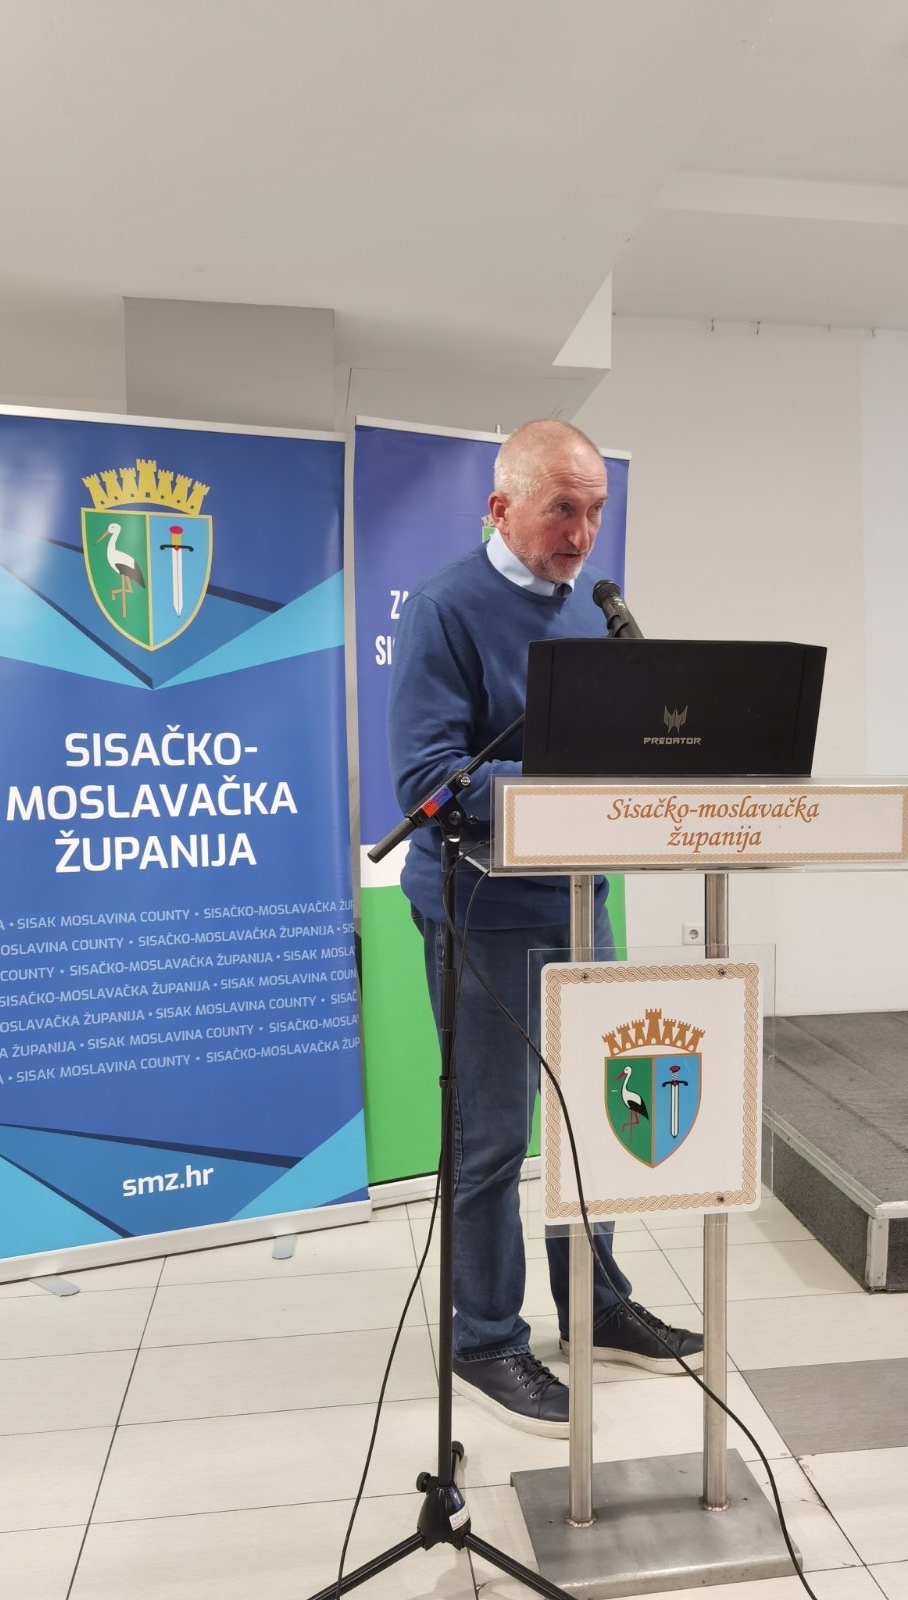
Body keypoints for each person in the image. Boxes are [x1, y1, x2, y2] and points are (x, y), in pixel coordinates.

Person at [386, 419, 701, 1438]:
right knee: (495, 1138)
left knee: (593, 1125)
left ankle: (597, 1306)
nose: (583, 533)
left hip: (580, 900)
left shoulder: (597, 611)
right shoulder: (445, 610)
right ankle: (485, 1338)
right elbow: (429, 781)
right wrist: (569, 779)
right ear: (501, 508)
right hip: (484, 908)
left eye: (597, 510)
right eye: (564, 508)